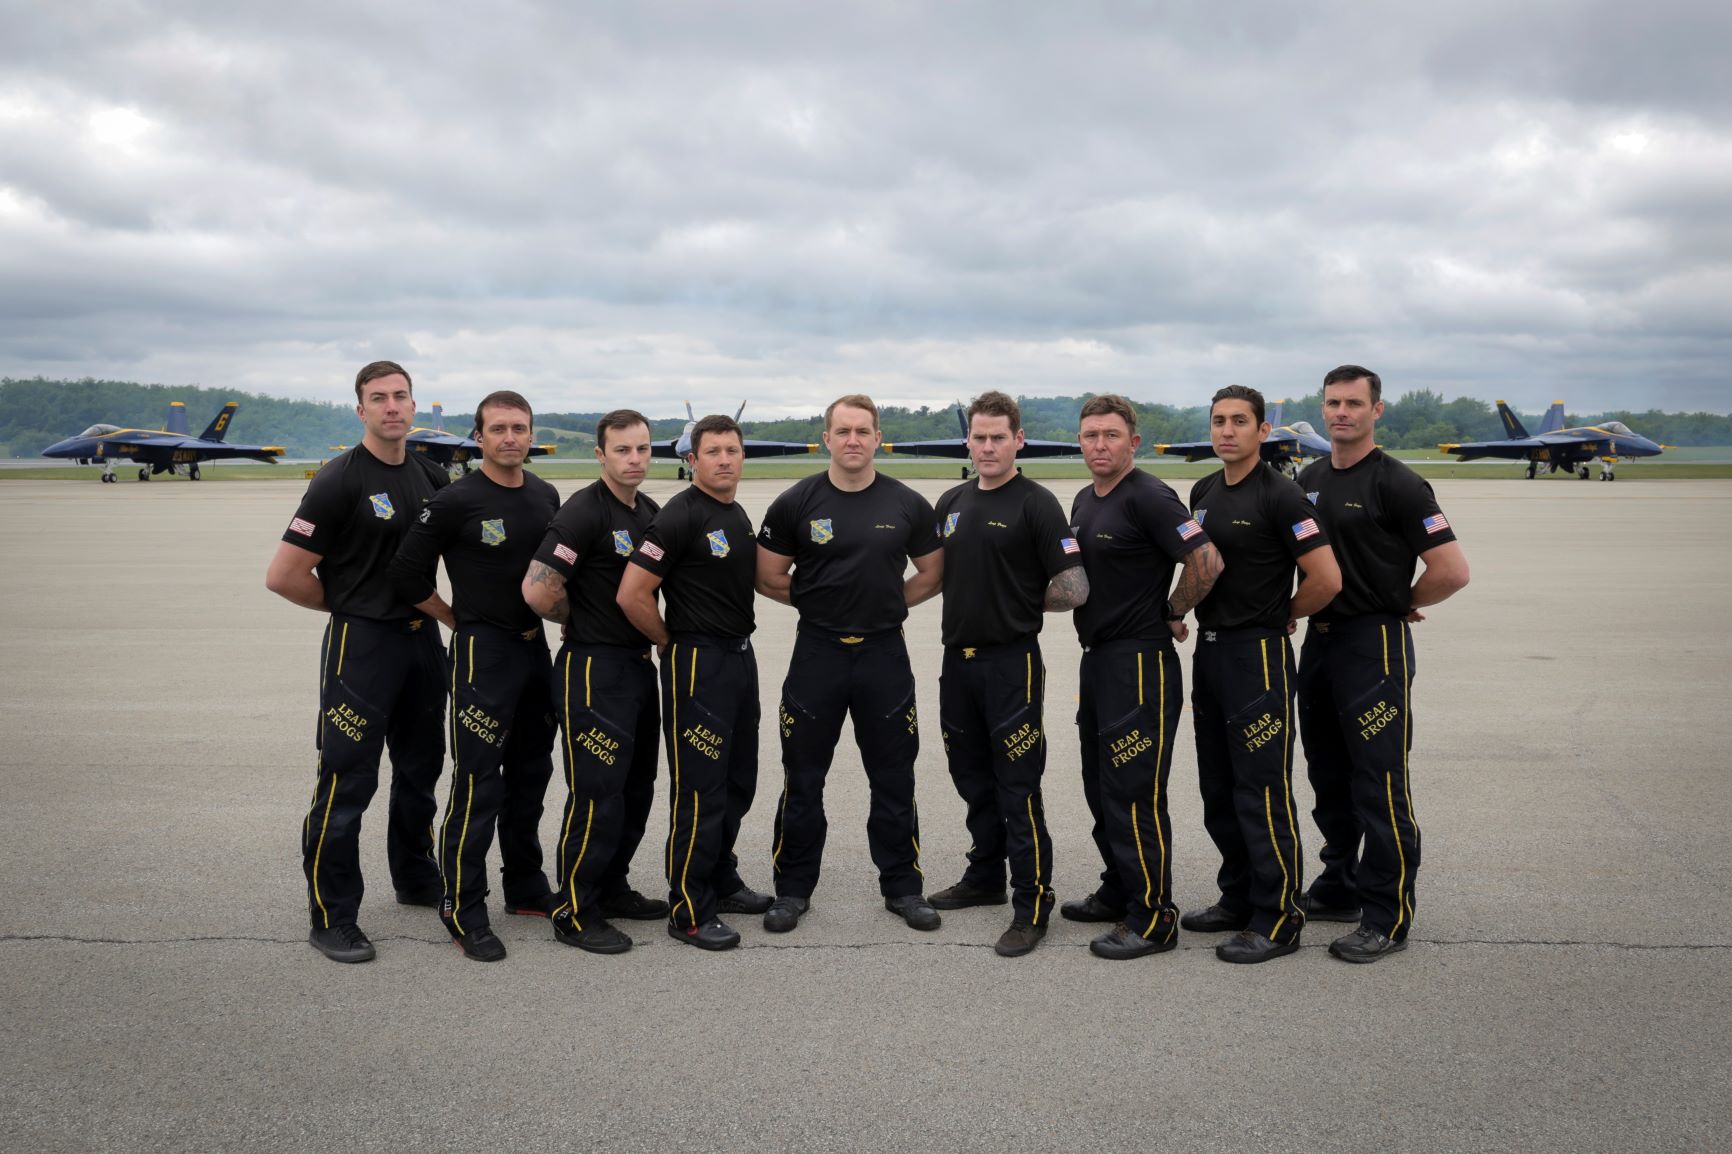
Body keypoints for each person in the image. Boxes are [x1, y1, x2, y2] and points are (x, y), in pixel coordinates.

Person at [266, 361, 452, 964]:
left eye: (401, 396)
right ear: (361, 410)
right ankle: (332, 915)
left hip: (422, 644)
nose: (392, 406)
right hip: (363, 647)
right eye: (379, 398)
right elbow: (284, 576)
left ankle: (415, 876)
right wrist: (351, 606)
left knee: (421, 770)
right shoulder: (337, 480)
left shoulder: (432, 475)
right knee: (348, 782)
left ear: (414, 405)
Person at [1296, 365, 1470, 963]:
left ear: (1377, 410)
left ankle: (1387, 915)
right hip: (1320, 643)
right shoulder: (1308, 479)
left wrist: (1398, 602)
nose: (1341, 413)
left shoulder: (1400, 484)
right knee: (1328, 776)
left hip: (1373, 646)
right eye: (1332, 403)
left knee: (1378, 780)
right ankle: (1339, 884)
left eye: (1353, 403)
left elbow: (1452, 570)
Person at [754, 394, 945, 934]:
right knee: (803, 778)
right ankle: (792, 889)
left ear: (878, 438)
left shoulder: (908, 503)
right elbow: (768, 577)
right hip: (818, 654)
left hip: (884, 655)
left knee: (894, 777)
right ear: (827, 439)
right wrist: (824, 604)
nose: (853, 440)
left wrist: (883, 605)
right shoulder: (795, 502)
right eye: (843, 431)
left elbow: (932, 574)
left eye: (863, 431)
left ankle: (903, 887)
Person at [388, 390, 561, 963]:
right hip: (482, 655)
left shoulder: (545, 494)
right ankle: (463, 905)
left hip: (534, 651)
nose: (511, 437)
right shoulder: (455, 499)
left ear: (531, 435)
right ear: (479, 437)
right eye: (499, 428)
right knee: (479, 781)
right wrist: (452, 618)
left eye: (520, 428)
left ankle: (526, 886)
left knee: (532, 774)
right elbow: (405, 572)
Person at [1181, 385, 1342, 964]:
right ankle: (1238, 897)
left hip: (1258, 657)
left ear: (1262, 431)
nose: (1227, 431)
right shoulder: (1203, 491)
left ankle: (1278, 918)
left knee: (1260, 788)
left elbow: (1326, 578)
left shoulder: (1283, 496)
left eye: (1239, 421)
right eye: (1219, 421)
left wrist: (1281, 615)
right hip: (1211, 652)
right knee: (1218, 787)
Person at [927, 390, 1089, 957]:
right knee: (971, 778)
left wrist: (1018, 603)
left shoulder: (1037, 504)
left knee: (1017, 787)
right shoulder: (951, 500)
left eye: (999, 437)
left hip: (1010, 665)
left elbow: (1074, 586)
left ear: (1018, 440)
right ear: (968, 441)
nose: (988, 447)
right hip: (957, 663)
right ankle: (984, 876)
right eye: (980, 437)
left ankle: (1032, 902)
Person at [1063, 394, 1224, 960]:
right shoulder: (1085, 499)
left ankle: (1154, 916)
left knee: (1134, 792)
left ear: (1132, 442)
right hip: (1098, 659)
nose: (1099, 444)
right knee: (1100, 786)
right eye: (1090, 435)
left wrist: (1173, 610)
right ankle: (1119, 888)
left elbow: (1206, 560)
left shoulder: (1149, 496)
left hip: (1139, 663)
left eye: (1110, 435)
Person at [616, 414, 771, 951]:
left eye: (732, 450)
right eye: (713, 452)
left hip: (739, 658)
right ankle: (688, 907)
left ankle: (721, 880)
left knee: (738, 780)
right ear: (692, 459)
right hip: (698, 662)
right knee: (699, 788)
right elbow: (632, 593)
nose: (724, 460)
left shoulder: (735, 512)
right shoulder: (679, 516)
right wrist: (668, 640)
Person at [521, 410, 670, 956]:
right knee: (597, 793)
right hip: (593, 670)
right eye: (623, 450)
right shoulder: (583, 511)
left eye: (643, 449)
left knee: (636, 787)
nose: (635, 459)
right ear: (601, 454)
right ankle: (574, 909)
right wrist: (578, 618)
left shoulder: (648, 512)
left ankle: (611, 887)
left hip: (636, 667)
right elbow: (538, 590)